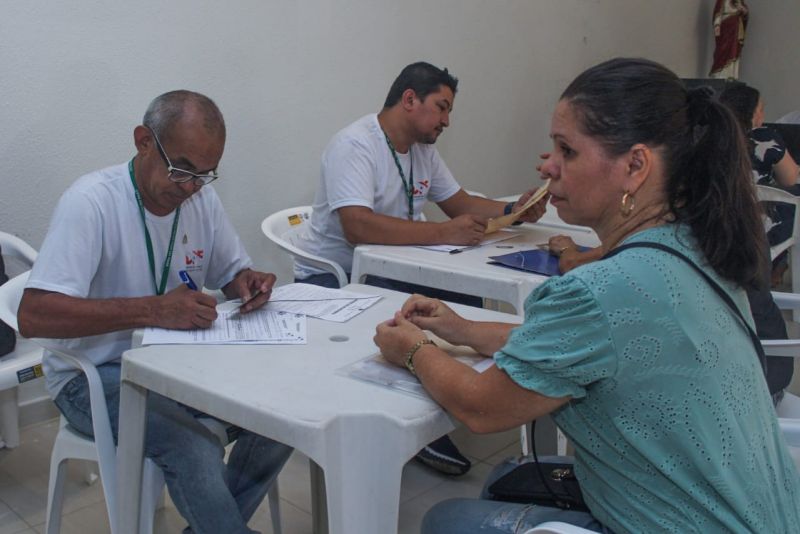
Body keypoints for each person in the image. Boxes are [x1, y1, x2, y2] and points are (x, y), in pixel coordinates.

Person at [374, 58, 800, 532]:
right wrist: (464, 329)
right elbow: (590, 343)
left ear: (635, 166)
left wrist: (412, 350)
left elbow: (480, 405)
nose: (547, 167)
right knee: (511, 479)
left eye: (566, 151)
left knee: (447, 519)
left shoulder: (602, 290)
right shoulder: (697, 247)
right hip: (766, 512)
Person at [18, 91, 292, 534]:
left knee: (284, 413)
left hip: (178, 364)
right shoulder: (91, 202)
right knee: (194, 446)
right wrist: (153, 310)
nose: (189, 187)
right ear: (144, 141)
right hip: (95, 375)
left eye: (204, 176)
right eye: (181, 169)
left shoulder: (200, 200)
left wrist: (246, 282)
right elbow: (34, 316)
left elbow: (231, 271)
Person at [295, 61, 547, 476]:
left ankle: (443, 397)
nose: (447, 120)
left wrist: (514, 210)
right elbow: (357, 228)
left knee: (461, 303)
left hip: (394, 262)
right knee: (412, 311)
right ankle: (412, 417)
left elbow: (460, 203)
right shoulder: (354, 145)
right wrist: (441, 233)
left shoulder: (422, 150)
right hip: (337, 273)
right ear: (409, 100)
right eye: (442, 107)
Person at [720, 81, 800, 287]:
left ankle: (777, 266)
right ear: (751, 112)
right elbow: (790, 179)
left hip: (717, 216)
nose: (763, 117)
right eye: (761, 110)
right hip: (760, 220)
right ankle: (778, 265)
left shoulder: (711, 135)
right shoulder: (764, 137)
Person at [710, 0, 749, 79]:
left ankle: (731, 74)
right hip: (725, 29)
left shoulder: (740, 1)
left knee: (734, 51)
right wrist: (717, 26)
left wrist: (743, 10)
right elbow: (717, 13)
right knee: (722, 49)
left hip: (736, 31)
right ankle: (719, 74)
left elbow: (745, 15)